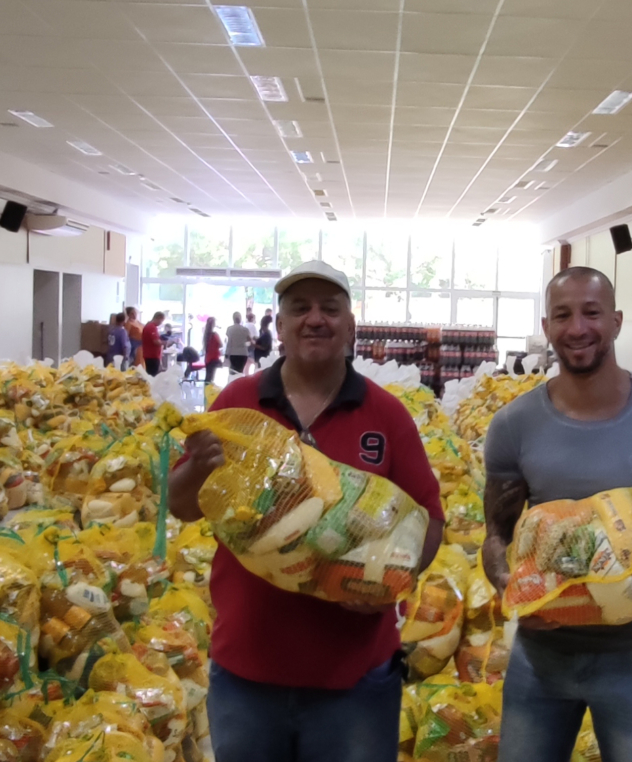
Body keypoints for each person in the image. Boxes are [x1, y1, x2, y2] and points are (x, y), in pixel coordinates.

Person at [169, 260, 445, 762]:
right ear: (279, 326)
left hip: (355, 678)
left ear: (351, 326)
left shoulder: (386, 415)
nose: (315, 319)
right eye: (300, 308)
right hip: (246, 671)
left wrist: (395, 582)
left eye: (329, 308)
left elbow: (430, 517)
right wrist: (191, 474)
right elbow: (183, 506)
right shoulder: (238, 403)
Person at [483, 267, 632, 762]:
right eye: (563, 315)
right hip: (540, 657)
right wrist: (511, 588)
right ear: (546, 327)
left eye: (591, 313)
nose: (577, 328)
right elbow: (496, 536)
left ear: (616, 321)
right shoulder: (513, 426)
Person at [141, 311, 165, 377]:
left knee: (151, 374)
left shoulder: (149, 326)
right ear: (158, 318)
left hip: (150, 355)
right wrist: (165, 343)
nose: (161, 323)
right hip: (152, 356)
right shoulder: (151, 327)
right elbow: (156, 342)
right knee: (153, 375)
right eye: (161, 321)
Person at [203, 317, 222, 385]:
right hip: (214, 358)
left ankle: (206, 392)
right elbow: (221, 344)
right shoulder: (215, 335)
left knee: (208, 377)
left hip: (208, 358)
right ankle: (210, 392)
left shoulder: (206, 335)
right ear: (214, 324)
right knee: (212, 377)